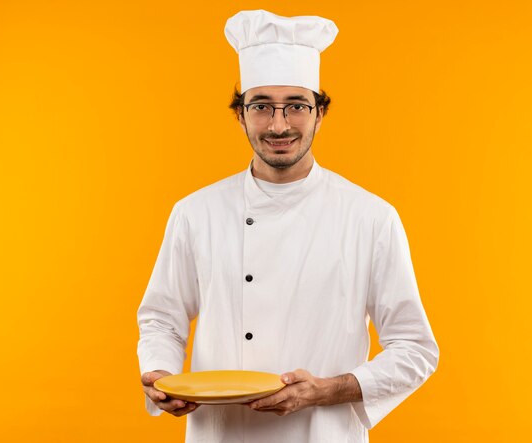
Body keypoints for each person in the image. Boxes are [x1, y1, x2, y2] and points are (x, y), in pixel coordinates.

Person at [137, 9, 439, 443]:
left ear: (320, 113)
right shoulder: (194, 212)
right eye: (261, 106)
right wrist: (161, 374)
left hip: (323, 434)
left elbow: (415, 349)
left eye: (296, 106)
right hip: (222, 434)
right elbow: (162, 318)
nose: (279, 125)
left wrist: (327, 390)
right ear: (240, 115)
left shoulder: (371, 218)